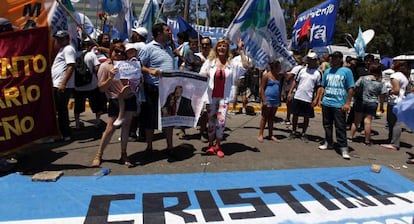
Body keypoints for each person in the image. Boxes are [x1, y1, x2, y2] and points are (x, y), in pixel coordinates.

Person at [200, 37, 248, 158]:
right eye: (220, 46)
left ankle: (218, 145)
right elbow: (200, 75)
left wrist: (241, 50)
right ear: (216, 48)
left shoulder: (232, 64)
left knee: (220, 123)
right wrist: (204, 74)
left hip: (224, 97)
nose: (222, 48)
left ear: (227, 49)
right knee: (211, 122)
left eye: (224, 46)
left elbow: (245, 66)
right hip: (211, 97)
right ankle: (210, 145)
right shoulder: (209, 62)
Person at [91, 42, 136, 168]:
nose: (119, 54)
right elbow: (101, 88)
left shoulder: (129, 65)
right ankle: (98, 155)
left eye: (122, 52)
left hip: (129, 98)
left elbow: (135, 81)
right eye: (116, 51)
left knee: (126, 126)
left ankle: (124, 154)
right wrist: (110, 77)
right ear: (111, 51)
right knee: (110, 128)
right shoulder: (105, 67)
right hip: (115, 100)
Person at [138, 22, 176, 161]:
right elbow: (138, 65)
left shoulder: (169, 49)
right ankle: (149, 147)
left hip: (168, 89)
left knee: (169, 118)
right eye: (167, 30)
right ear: (159, 33)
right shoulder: (148, 48)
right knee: (150, 119)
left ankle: (170, 147)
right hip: (153, 89)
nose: (170, 32)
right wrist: (150, 71)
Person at [315, 51, 354, 160]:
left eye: (336, 58)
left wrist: (347, 103)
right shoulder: (327, 71)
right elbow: (323, 86)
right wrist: (319, 99)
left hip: (339, 104)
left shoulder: (347, 71)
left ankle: (343, 147)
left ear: (340, 59)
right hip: (327, 102)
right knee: (327, 124)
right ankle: (328, 142)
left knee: (340, 126)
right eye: (332, 58)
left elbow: (351, 88)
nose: (333, 60)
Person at [287, 52, 322, 142]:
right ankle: (293, 132)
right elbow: (295, 81)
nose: (308, 61)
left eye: (311, 60)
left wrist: (316, 99)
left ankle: (304, 133)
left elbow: (319, 87)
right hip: (298, 96)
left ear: (315, 61)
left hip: (308, 98)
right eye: (308, 59)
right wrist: (290, 92)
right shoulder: (302, 70)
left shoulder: (318, 73)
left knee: (306, 117)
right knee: (295, 115)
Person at [73, 38, 105, 130]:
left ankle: (77, 123)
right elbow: (97, 68)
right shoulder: (91, 55)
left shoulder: (75, 54)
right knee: (96, 105)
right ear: (90, 45)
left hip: (78, 86)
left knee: (78, 105)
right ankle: (98, 122)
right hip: (92, 85)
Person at [349, 62, 383, 145]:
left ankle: (351, 137)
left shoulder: (362, 78)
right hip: (372, 102)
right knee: (368, 121)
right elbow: (382, 95)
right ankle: (367, 140)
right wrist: (381, 106)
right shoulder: (380, 82)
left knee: (356, 120)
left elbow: (355, 87)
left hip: (361, 100)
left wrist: (352, 97)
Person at [51, 30, 76, 141]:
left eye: (61, 38)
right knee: (58, 110)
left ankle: (65, 134)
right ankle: (62, 133)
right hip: (58, 84)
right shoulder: (62, 49)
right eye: (57, 38)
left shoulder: (68, 49)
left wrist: (63, 83)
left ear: (67, 39)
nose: (58, 40)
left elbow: (71, 66)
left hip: (61, 86)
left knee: (61, 111)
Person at [381, 61, 410, 151]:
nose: (392, 65)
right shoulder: (404, 77)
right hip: (400, 101)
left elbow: (396, 90)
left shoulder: (395, 76)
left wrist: (389, 92)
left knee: (394, 123)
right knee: (393, 122)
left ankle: (394, 143)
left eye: (394, 64)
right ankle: (391, 140)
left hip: (395, 102)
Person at [257, 60, 282, 143]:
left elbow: (279, 88)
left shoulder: (278, 76)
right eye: (279, 67)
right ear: (274, 67)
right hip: (268, 99)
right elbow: (262, 89)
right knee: (264, 117)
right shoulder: (266, 76)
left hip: (275, 100)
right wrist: (264, 100)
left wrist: (279, 99)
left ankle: (271, 134)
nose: (280, 69)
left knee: (271, 117)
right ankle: (261, 134)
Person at [195, 37, 212, 142]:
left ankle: (202, 132)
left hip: (208, 89)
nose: (205, 46)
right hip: (195, 87)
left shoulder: (213, 58)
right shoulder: (195, 56)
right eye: (203, 44)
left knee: (205, 112)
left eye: (207, 44)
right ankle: (183, 128)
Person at [283, 55, 303, 125]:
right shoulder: (303, 68)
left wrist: (285, 75)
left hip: (290, 88)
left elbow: (289, 78)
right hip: (298, 88)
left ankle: (288, 119)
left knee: (289, 104)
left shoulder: (296, 68)